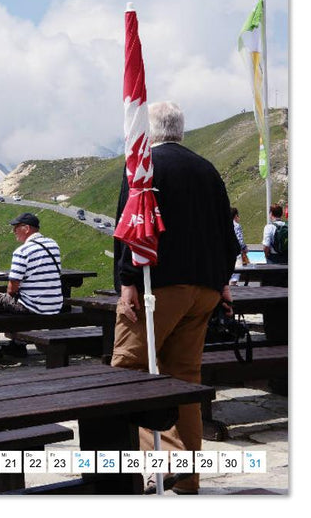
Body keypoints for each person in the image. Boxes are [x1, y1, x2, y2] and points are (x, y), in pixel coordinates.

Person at [112, 101, 238, 495]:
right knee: (184, 379)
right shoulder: (208, 170)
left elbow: (133, 228)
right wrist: (221, 283)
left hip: (158, 287)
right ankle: (190, 478)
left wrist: (127, 281)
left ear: (148, 131)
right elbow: (228, 235)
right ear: (180, 129)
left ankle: (170, 463)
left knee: (127, 372)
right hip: (204, 292)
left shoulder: (143, 166)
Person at [0, 212, 63, 362]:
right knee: (24, 297)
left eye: (16, 228)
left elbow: (12, 289)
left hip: (34, 307)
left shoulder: (22, 251)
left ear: (27, 228)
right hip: (54, 305)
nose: (13, 232)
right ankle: (18, 344)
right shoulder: (53, 245)